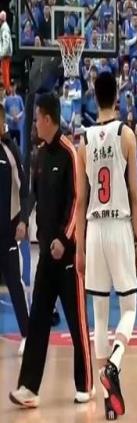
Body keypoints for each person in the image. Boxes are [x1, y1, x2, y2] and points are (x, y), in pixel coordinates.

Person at [9, 93, 93, 408]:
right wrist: (25, 221)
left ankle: (86, 384)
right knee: (38, 319)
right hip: (46, 253)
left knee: (76, 320)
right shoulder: (40, 156)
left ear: (47, 119)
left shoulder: (70, 153)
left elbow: (78, 200)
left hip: (68, 256)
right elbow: (35, 196)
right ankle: (29, 387)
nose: (34, 125)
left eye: (36, 119)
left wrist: (65, 238)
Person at [75, 72, 137, 421]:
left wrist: (79, 247)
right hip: (118, 224)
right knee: (129, 308)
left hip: (93, 228)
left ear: (94, 96)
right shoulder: (125, 135)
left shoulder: (83, 141)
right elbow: (134, 194)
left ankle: (108, 402)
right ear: (116, 96)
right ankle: (114, 364)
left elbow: (80, 199)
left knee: (99, 317)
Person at [0, 104, 29, 356]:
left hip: (7, 231)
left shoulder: (10, 150)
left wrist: (23, 220)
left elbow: (24, 188)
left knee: (15, 284)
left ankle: (28, 335)